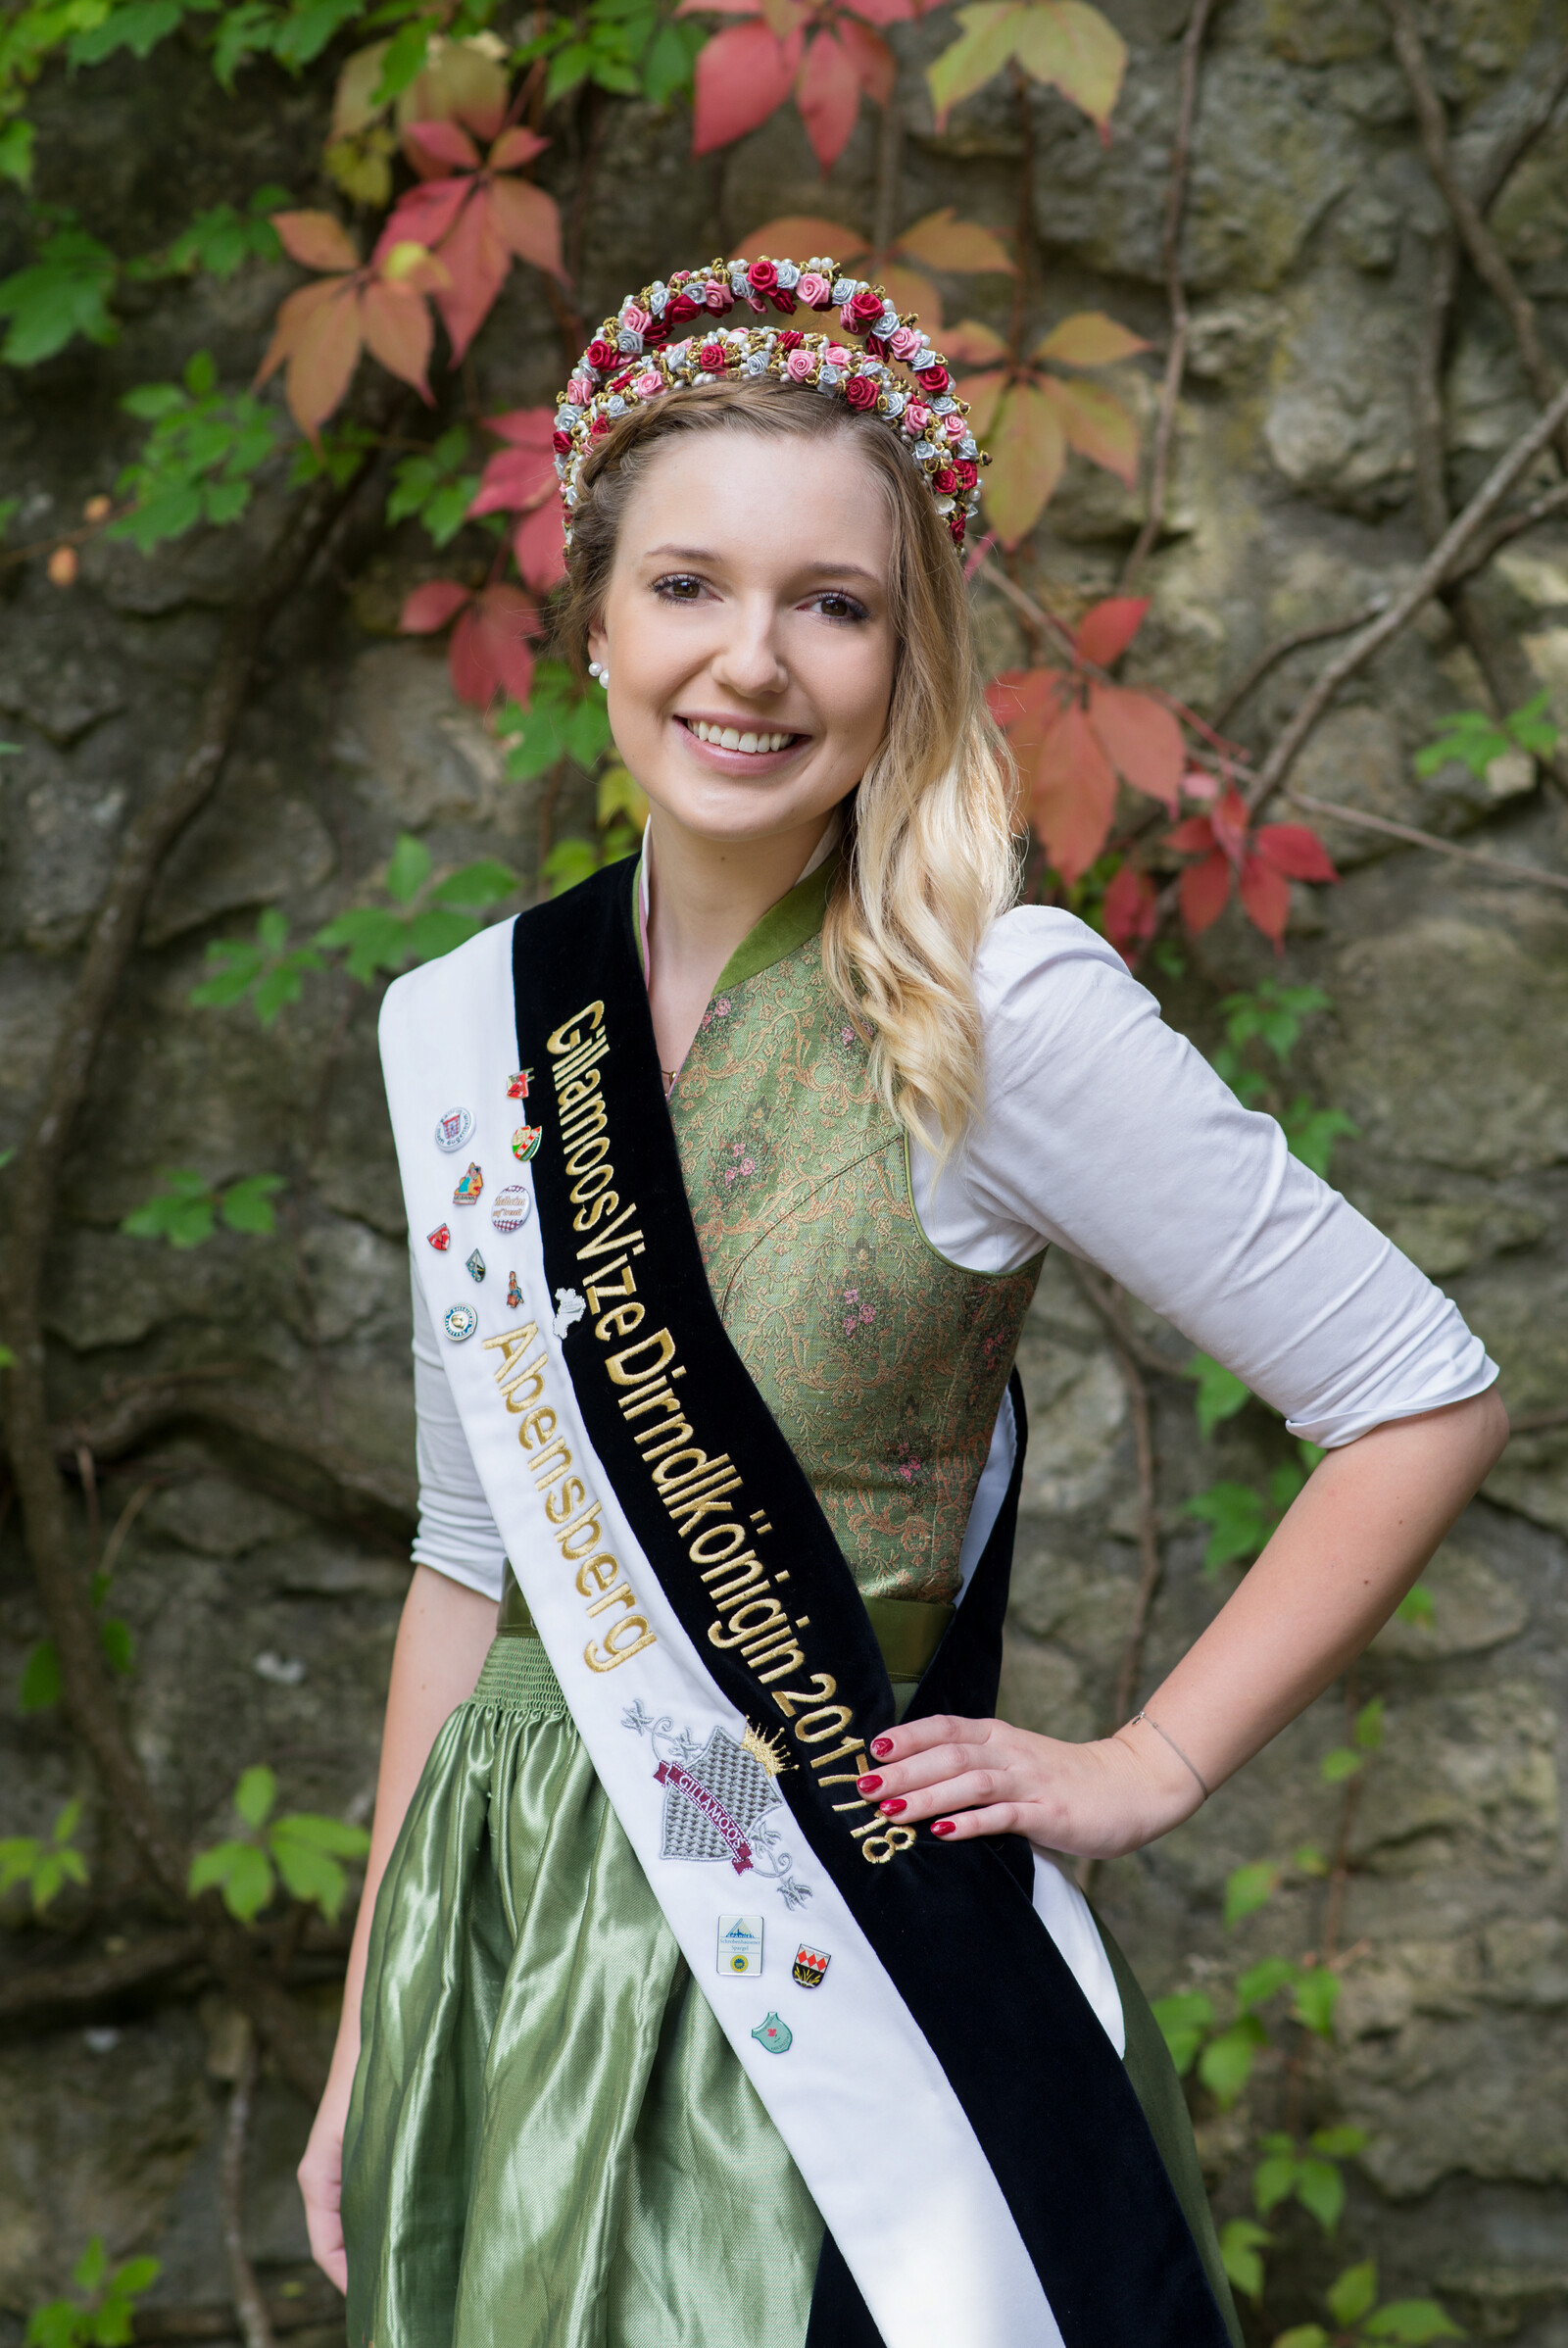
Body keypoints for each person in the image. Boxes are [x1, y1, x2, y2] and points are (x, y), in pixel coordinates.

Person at [297, 255, 1508, 2348]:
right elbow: (468, 1557)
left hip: (837, 1969)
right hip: (506, 1957)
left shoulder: (993, 1008)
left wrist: (1148, 1762)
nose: (748, 661)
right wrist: (363, 2043)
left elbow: (1417, 1392)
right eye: (687, 585)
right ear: (596, 619)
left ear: (904, 646)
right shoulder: (462, 1030)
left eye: (830, 604)